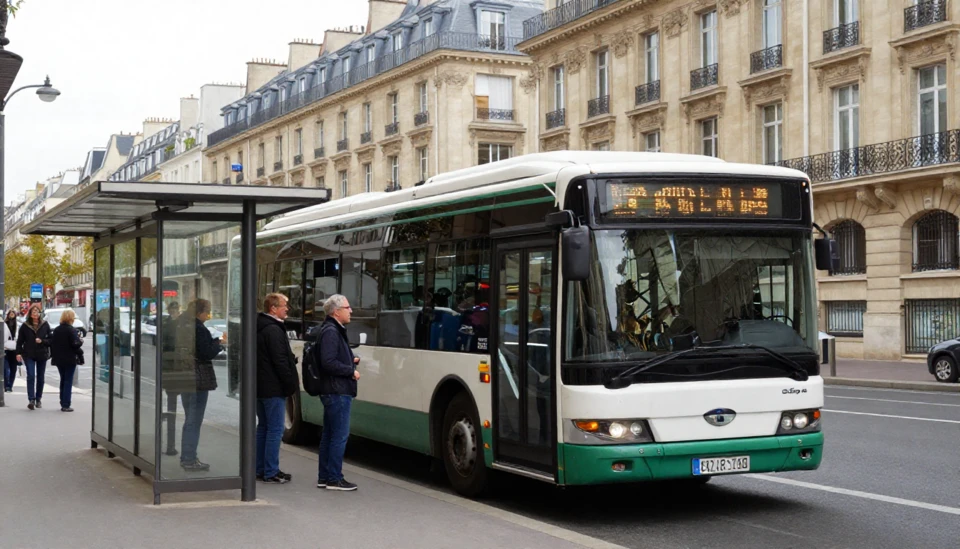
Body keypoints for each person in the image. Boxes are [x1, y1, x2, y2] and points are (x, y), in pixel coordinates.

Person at [316, 294, 360, 491]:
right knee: (339, 435)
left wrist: (351, 359)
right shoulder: (332, 331)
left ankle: (325, 477)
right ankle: (334, 478)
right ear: (336, 311)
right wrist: (351, 370)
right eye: (347, 307)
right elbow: (328, 362)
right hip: (337, 390)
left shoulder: (331, 329)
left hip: (332, 389)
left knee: (329, 434)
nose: (350, 311)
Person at [256, 293, 299, 484]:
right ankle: (271, 471)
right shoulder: (274, 330)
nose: (287, 308)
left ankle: (260, 468)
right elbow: (280, 360)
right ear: (273, 308)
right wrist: (290, 384)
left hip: (259, 386)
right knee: (275, 430)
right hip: (273, 387)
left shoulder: (260, 326)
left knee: (263, 428)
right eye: (284, 305)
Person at [176, 299, 223, 471]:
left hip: (184, 376)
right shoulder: (199, 329)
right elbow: (206, 353)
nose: (208, 315)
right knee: (194, 420)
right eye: (207, 311)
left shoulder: (181, 324)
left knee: (189, 418)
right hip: (197, 379)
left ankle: (188, 456)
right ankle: (189, 458)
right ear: (199, 312)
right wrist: (219, 343)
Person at [17, 304, 52, 410]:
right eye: (33, 311)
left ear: (40, 313)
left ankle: (38, 398)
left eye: (37, 311)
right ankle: (31, 399)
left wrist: (42, 341)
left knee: (40, 377)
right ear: (30, 314)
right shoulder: (25, 325)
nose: (35, 313)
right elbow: (20, 341)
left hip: (42, 353)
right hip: (29, 354)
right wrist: (18, 353)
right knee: (31, 375)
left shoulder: (45, 325)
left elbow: (51, 339)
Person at [50, 309, 84, 412]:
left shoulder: (56, 330)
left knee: (63, 379)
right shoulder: (71, 330)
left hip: (59, 359)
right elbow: (75, 344)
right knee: (68, 381)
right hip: (70, 358)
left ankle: (62, 401)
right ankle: (66, 404)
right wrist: (80, 341)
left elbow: (53, 344)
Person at [4, 309, 19, 392]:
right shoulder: (4, 324)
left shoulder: (17, 325)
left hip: (14, 349)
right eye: (11, 313)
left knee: (13, 369)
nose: (12, 314)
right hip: (6, 349)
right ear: (8, 314)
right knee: (6, 369)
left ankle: (10, 386)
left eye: (13, 313)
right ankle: (6, 385)